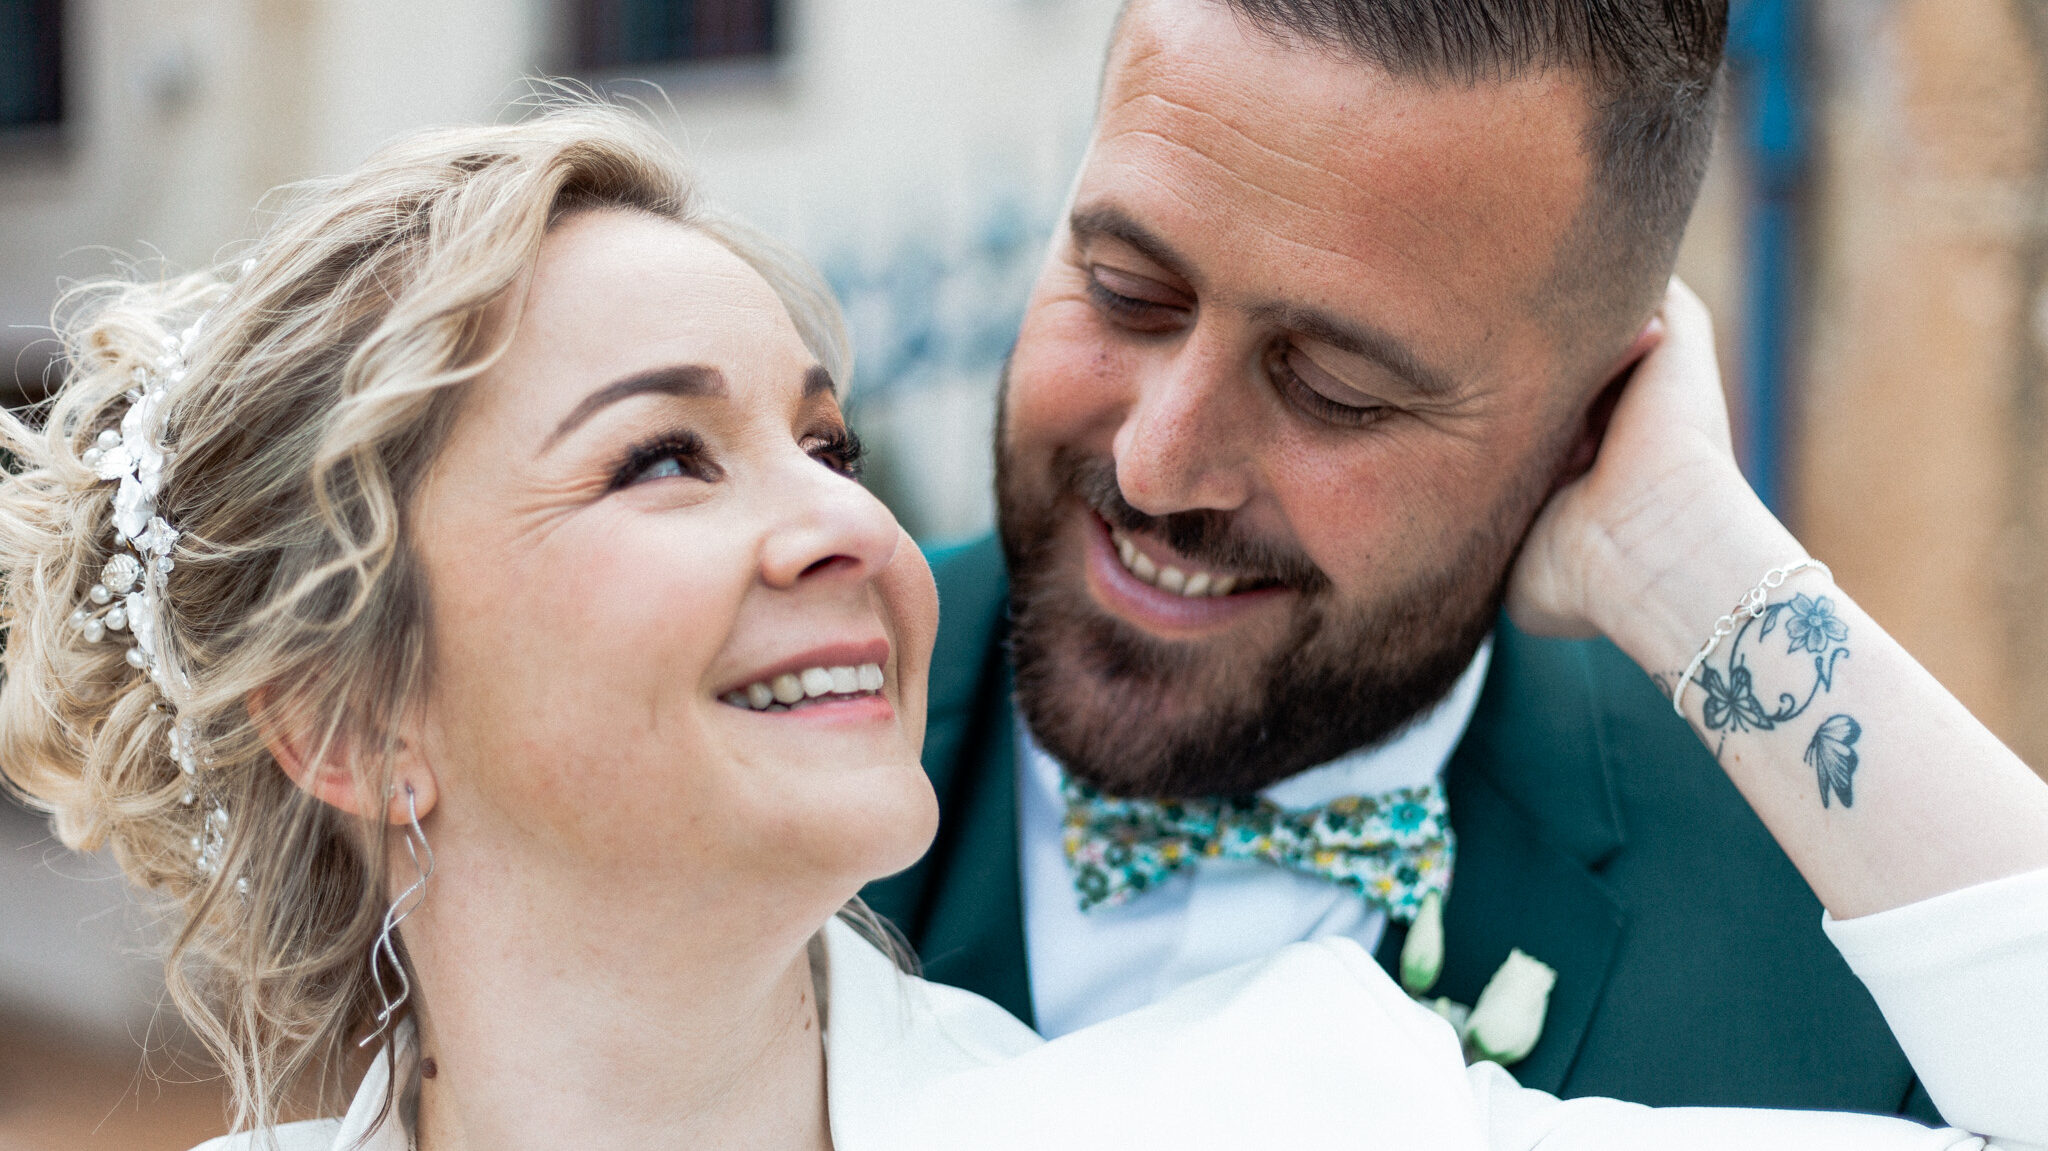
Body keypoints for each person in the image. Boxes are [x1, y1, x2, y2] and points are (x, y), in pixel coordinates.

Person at [1, 98, 2046, 1151]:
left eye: (826, 433)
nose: (843, 525)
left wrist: (1691, 560)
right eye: (663, 459)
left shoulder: (1274, 1103)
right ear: (350, 725)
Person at [858, 0, 1942, 1116]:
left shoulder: (1851, 967)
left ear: (1589, 415)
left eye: (1334, 389)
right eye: (1125, 290)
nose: (1154, 463)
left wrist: (1686, 556)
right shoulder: (713, 736)